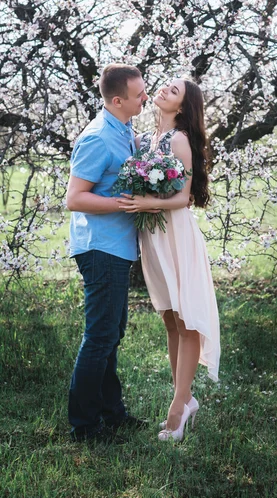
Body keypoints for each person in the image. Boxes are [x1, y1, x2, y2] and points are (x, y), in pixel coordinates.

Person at [117, 78, 220, 442]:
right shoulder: (142, 139)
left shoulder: (178, 140)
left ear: (182, 106)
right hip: (152, 237)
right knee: (169, 319)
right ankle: (186, 398)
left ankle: (178, 409)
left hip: (175, 234)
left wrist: (149, 203)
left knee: (187, 318)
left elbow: (183, 198)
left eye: (173, 91)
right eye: (165, 86)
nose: (163, 91)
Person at [66, 63, 148, 442]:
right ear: (118, 100)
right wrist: (122, 204)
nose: (145, 97)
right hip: (100, 247)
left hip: (117, 247)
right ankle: (84, 426)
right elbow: (75, 198)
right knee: (100, 335)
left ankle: (112, 412)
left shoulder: (126, 131)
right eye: (138, 94)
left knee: (111, 333)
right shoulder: (99, 137)